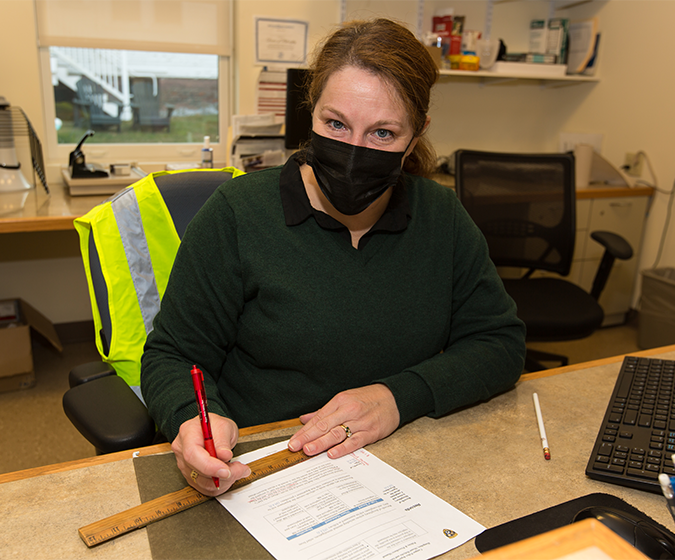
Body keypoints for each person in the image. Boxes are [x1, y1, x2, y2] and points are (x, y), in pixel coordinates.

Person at [136, 19, 525, 496]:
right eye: (336, 123)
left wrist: (398, 398)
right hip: (259, 468)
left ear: (417, 134)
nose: (354, 153)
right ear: (310, 113)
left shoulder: (441, 216)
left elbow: (499, 343)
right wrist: (191, 421)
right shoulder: (238, 215)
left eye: (383, 133)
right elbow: (173, 354)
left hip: (401, 464)